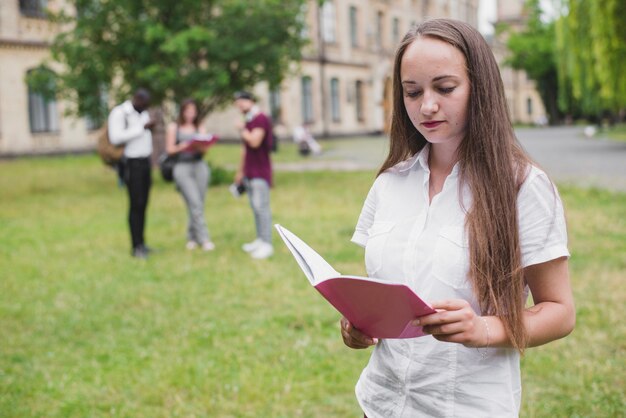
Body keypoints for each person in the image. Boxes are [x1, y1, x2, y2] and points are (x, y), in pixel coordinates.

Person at [341, 19, 575, 417]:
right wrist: (360, 323)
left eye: (444, 88)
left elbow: (560, 311)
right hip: (381, 402)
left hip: (466, 406)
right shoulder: (390, 183)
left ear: (479, 89)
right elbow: (387, 291)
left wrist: (483, 329)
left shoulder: (523, 186)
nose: (426, 105)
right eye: (412, 92)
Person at [108, 88, 156, 259]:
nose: (145, 107)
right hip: (131, 164)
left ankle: (142, 242)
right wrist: (141, 128)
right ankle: (136, 246)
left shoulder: (142, 113)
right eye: (143, 104)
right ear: (136, 99)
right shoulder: (120, 113)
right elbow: (115, 138)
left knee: (143, 203)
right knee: (135, 204)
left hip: (144, 162)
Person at [165, 99, 215, 251]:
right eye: (188, 110)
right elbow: (169, 149)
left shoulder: (200, 126)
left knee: (198, 203)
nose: (191, 114)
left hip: (199, 166)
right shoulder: (174, 127)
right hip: (182, 167)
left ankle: (191, 237)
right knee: (194, 202)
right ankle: (204, 238)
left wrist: (201, 145)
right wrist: (183, 146)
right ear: (182, 111)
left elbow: (206, 150)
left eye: (193, 111)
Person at [233, 91, 274, 259]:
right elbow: (245, 149)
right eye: (237, 102)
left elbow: (254, 142)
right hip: (249, 171)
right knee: (254, 208)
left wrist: (242, 129)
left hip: (260, 171)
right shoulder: (249, 120)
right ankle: (260, 239)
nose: (240, 105)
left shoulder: (260, 119)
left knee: (261, 207)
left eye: (243, 101)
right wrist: (240, 171)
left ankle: (267, 243)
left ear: (251, 101)